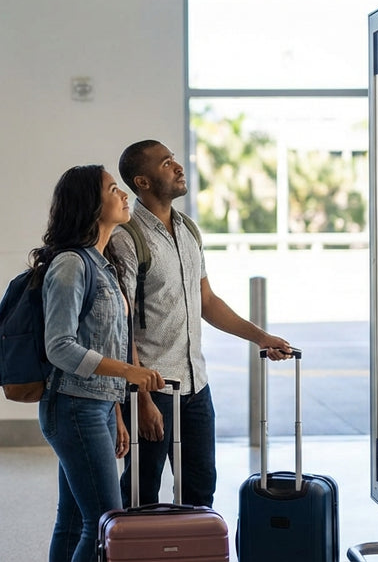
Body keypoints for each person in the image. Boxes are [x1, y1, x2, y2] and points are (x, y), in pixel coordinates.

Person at [113, 140, 293, 508]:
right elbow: (122, 324)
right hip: (152, 388)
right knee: (140, 492)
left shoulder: (188, 230)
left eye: (174, 160)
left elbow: (206, 301)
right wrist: (143, 398)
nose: (178, 167)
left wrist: (260, 337)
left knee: (200, 490)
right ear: (142, 181)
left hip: (196, 387)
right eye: (166, 164)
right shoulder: (127, 238)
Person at [34, 164, 165, 562]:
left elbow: (105, 340)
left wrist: (117, 412)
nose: (124, 194)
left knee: (74, 521)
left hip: (96, 407)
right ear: (92, 204)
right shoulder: (72, 264)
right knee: (107, 522)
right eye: (113, 188)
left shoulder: (103, 263)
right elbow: (60, 347)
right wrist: (129, 372)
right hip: (74, 407)